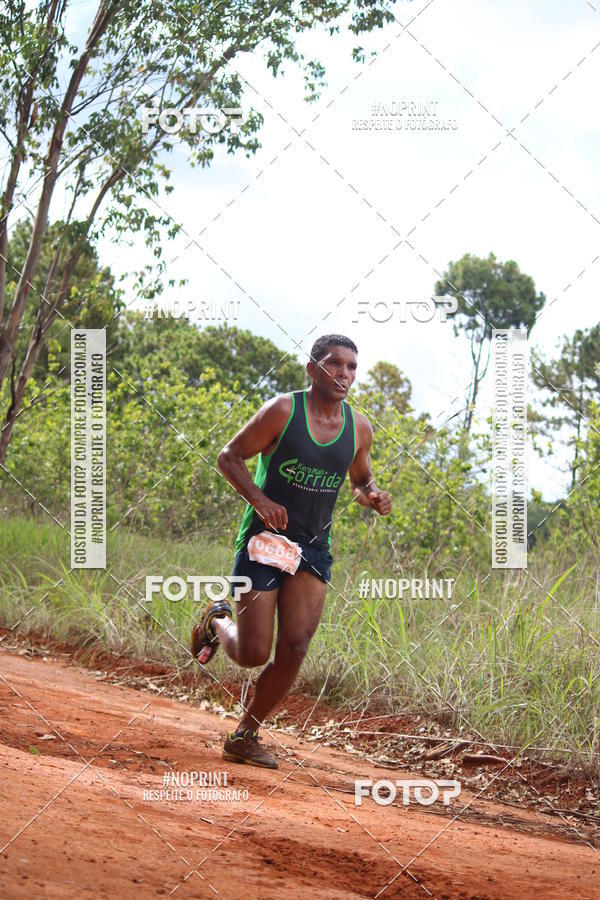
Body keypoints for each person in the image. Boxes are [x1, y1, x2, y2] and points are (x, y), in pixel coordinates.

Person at [191, 334, 392, 768]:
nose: (344, 373)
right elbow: (229, 457)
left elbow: (360, 480)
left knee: (296, 647)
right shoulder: (284, 410)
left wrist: (373, 496)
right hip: (264, 542)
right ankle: (217, 617)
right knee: (253, 654)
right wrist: (260, 501)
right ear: (312, 368)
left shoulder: (358, 427)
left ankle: (244, 735)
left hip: (313, 549)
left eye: (352, 367)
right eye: (334, 363)